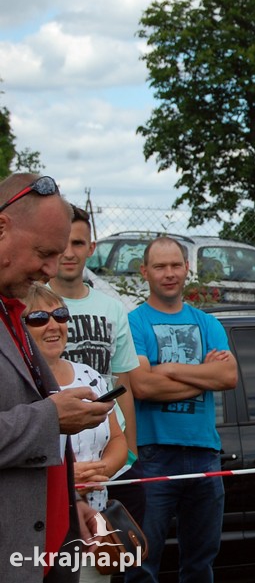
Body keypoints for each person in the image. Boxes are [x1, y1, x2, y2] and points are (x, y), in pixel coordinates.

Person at [0, 173, 114, 583]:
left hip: (54, 545)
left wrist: (66, 505)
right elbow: (41, 417)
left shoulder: (13, 311)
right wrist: (51, 418)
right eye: (44, 253)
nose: (51, 271)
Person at [125, 237, 238, 583]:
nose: (169, 273)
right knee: (142, 563)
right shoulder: (134, 322)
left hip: (205, 454)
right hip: (152, 454)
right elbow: (142, 386)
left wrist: (166, 368)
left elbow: (229, 375)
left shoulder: (208, 324)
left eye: (176, 265)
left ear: (187, 269)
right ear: (145, 272)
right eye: (160, 266)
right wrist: (205, 377)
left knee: (200, 564)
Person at [25, 283, 128, 583]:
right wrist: (68, 477)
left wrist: (102, 470)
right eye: (38, 319)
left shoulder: (90, 376)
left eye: (60, 315)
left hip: (95, 521)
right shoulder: (24, 383)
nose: (53, 325)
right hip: (45, 523)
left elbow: (119, 441)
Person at [48, 205, 142, 525]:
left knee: (108, 558)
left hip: (108, 450)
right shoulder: (36, 304)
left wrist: (129, 451)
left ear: (91, 248)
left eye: (78, 244)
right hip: (58, 445)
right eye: (63, 243)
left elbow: (123, 383)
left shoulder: (113, 309)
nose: (69, 253)